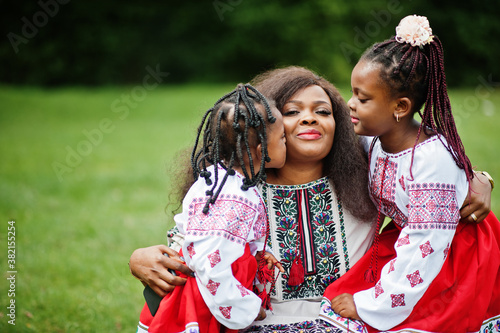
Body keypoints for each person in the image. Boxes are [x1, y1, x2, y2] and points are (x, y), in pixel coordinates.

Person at [129, 67, 493, 332]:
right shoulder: (236, 187)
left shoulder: (364, 164)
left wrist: (479, 179)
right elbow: (202, 243)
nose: (309, 120)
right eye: (291, 112)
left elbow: (427, 167)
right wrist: (140, 257)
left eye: (323, 112)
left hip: (346, 316)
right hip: (256, 320)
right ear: (262, 130)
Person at [320, 15, 500, 333]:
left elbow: (425, 247)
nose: (350, 104)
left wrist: (371, 304)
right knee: (333, 299)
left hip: (450, 253)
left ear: (400, 107)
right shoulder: (373, 136)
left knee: (400, 321)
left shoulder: (432, 160)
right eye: (352, 93)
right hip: (410, 238)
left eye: (362, 98)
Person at [137, 83, 287, 333]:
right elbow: (210, 261)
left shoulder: (216, 180)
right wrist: (247, 308)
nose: (286, 142)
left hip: (207, 293)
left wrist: (260, 250)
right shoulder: (234, 198)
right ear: (263, 151)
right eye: (282, 138)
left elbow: (213, 235)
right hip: (204, 302)